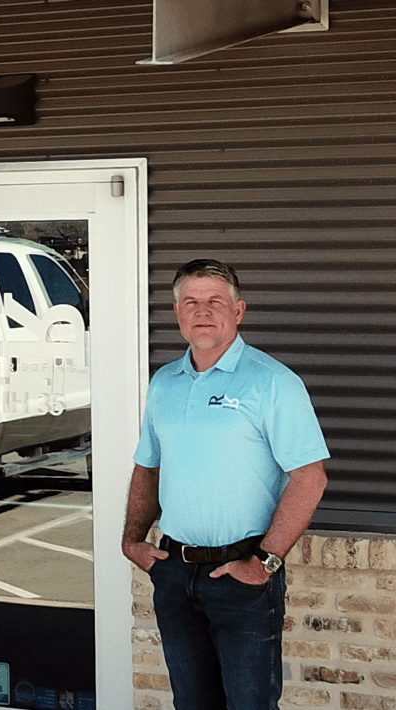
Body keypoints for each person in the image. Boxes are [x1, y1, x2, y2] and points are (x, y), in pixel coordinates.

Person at [122, 258, 329, 710]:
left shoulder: (273, 382)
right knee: (191, 703)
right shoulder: (165, 383)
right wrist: (132, 540)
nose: (202, 311)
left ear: (238, 311)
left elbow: (310, 478)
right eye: (190, 302)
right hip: (175, 574)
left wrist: (264, 563)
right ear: (176, 312)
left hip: (242, 576)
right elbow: (148, 467)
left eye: (215, 301)